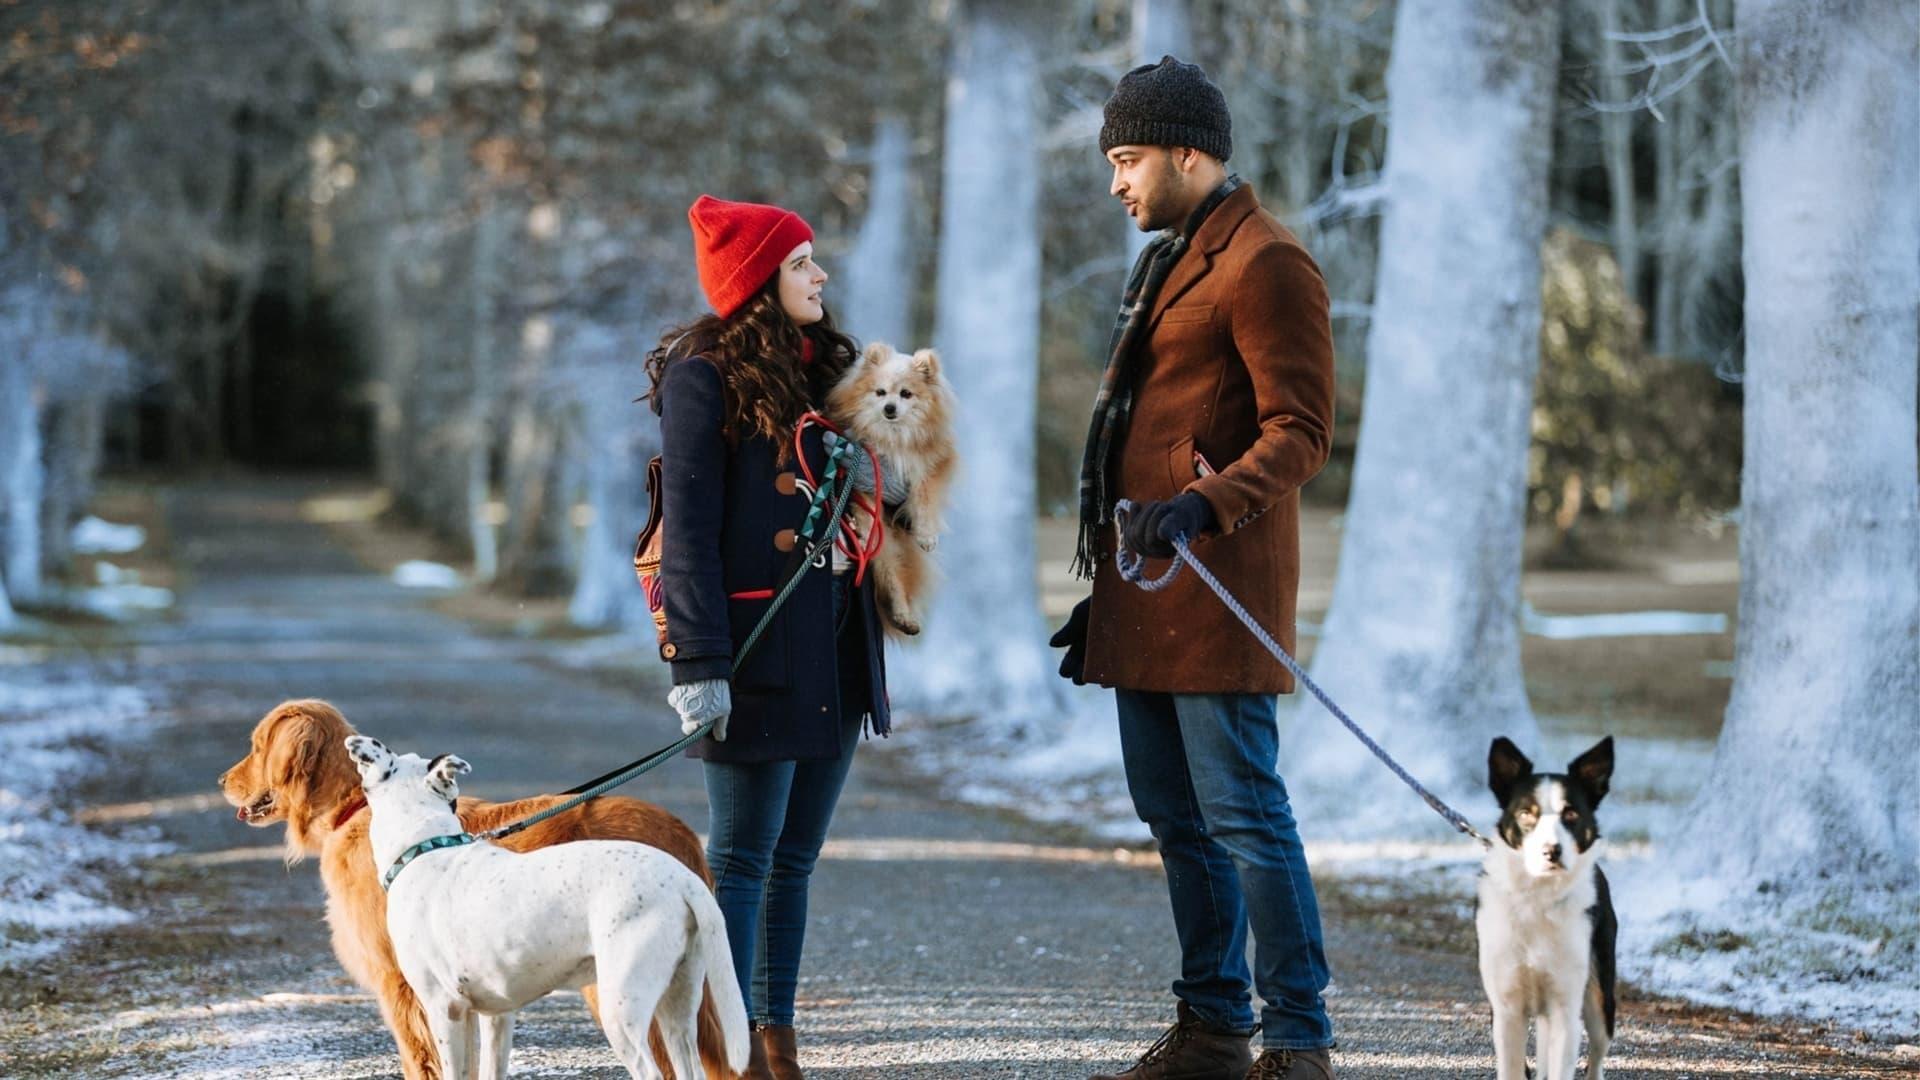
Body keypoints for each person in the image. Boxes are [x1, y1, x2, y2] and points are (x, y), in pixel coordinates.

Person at [1052, 57, 1339, 1080]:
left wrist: (1202, 505)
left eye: (1127, 160)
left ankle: (1299, 1039)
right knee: (1175, 819)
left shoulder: (1265, 262)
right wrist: (1108, 595)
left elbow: (1301, 431)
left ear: (1189, 154)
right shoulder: (1170, 261)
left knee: (1246, 817)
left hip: (1218, 595)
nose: (1117, 182)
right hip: (1146, 597)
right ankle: (1215, 1026)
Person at [644, 194, 890, 1080]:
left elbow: (869, 493)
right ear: (756, 280)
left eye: (813, 260)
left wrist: (880, 478)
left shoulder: (823, 365)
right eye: (799, 263)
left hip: (833, 648)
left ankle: (777, 1042)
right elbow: (688, 533)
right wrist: (699, 664)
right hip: (753, 652)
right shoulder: (701, 375)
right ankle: (730, 1052)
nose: (819, 275)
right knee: (743, 859)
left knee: (797, 856)